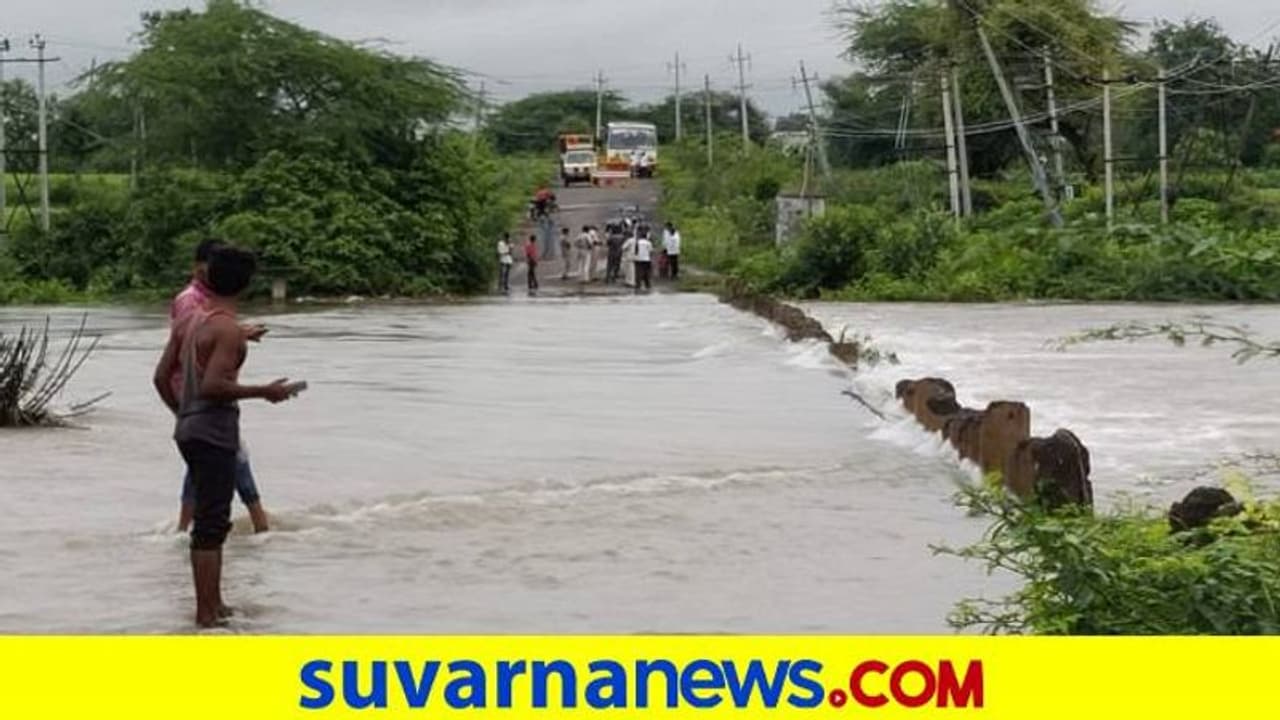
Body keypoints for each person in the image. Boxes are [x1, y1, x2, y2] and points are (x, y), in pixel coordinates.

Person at [152, 245, 296, 628]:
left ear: (207, 276)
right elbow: (215, 385)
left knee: (209, 521)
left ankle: (215, 604)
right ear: (247, 285)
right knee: (212, 525)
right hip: (214, 431)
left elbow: (160, 377)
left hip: (189, 429)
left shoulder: (191, 322)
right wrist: (265, 391)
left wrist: (184, 414)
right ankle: (207, 614)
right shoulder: (228, 330)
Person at [166, 239, 270, 535]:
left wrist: (238, 333)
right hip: (199, 398)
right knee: (233, 455)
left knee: (205, 463)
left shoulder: (210, 308)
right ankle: (260, 524)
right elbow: (191, 344)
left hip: (192, 400)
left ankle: (184, 528)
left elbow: (191, 343)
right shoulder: (192, 301)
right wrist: (265, 391)